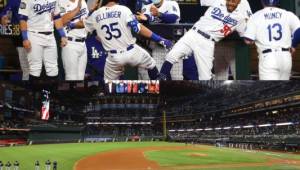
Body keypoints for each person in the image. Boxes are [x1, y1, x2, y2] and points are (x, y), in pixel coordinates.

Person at [158, 0, 252, 80]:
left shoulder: (240, 19)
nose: (230, 3)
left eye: (234, 2)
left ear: (239, 2)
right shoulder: (217, 1)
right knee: (171, 56)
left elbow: (247, 37)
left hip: (207, 43)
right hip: (193, 34)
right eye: (229, 1)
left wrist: (253, 38)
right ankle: (160, 80)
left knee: (205, 77)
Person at [83, 0, 172, 80]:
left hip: (113, 57)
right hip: (131, 51)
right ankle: (157, 87)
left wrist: (72, 24)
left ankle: (109, 96)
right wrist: (160, 39)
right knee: (151, 64)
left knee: (108, 84)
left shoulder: (96, 14)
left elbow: (83, 24)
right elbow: (138, 29)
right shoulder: (123, 9)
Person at [243, 0, 300, 80]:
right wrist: (293, 45)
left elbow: (248, 40)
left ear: (262, 2)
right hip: (285, 57)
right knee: (282, 89)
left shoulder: (256, 16)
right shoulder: (287, 14)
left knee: (269, 90)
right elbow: (299, 32)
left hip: (268, 58)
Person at [18, 0, 68, 80]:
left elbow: (57, 17)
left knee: (53, 69)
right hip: (34, 34)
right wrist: (25, 38)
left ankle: (51, 92)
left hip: (50, 35)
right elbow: (22, 19)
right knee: (35, 68)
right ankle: (33, 92)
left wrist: (62, 35)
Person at [136, 0, 183, 80]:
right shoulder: (146, 6)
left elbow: (173, 18)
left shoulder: (171, 3)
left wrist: (159, 14)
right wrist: (144, 18)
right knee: (159, 76)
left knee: (177, 77)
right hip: (157, 45)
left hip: (173, 44)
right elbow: (146, 17)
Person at [58, 0, 89, 80]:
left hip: (83, 43)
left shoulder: (82, 1)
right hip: (70, 43)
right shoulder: (61, 2)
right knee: (71, 77)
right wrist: (77, 9)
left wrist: (74, 24)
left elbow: (86, 21)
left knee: (80, 78)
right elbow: (61, 21)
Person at [0, 0, 29, 80]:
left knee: (36, 65)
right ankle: (27, 86)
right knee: (25, 65)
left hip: (38, 34)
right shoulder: (14, 1)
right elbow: (5, 13)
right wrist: (4, 18)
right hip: (20, 37)